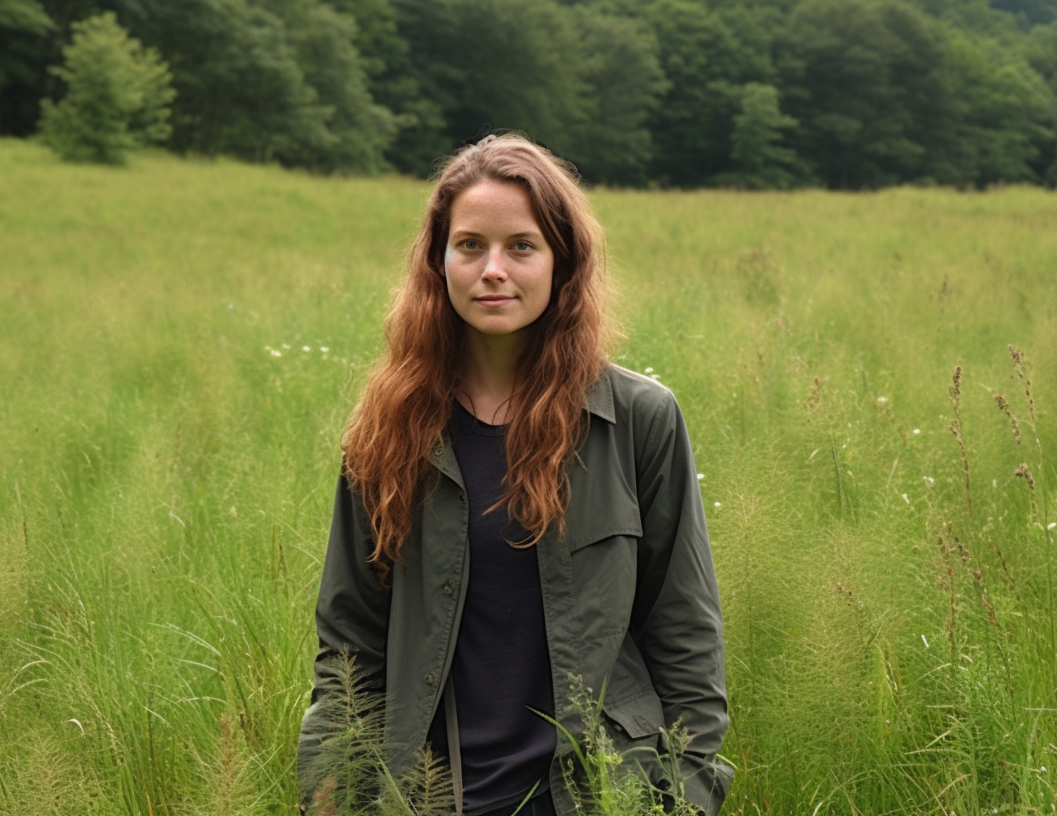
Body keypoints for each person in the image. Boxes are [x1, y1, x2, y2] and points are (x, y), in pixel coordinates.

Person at [298, 134, 732, 816]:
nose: (492, 269)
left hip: (596, 797)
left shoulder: (641, 419)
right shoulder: (386, 430)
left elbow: (686, 637)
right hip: (430, 800)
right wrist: (330, 800)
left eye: (521, 246)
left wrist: (684, 797)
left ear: (562, 262)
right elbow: (348, 649)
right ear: (439, 262)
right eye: (470, 245)